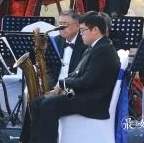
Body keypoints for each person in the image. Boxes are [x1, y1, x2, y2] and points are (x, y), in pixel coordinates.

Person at [24, 11, 120, 143]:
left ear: (95, 30)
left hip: (93, 102)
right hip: (86, 95)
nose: (81, 34)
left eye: (83, 30)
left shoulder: (103, 50)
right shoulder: (97, 46)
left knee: (49, 105)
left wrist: (63, 84)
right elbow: (78, 73)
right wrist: (62, 86)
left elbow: (87, 82)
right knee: (36, 103)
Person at [49, 10, 88, 86]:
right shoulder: (55, 41)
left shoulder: (85, 43)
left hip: (73, 87)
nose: (61, 28)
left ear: (77, 25)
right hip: (54, 86)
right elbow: (50, 68)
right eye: (60, 24)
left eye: (65, 24)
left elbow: (82, 74)